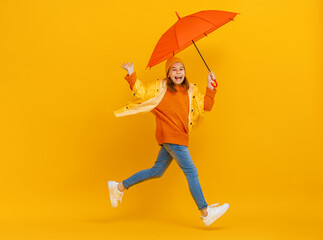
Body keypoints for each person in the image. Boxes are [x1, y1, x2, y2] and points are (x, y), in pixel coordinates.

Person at [108, 56, 229, 226]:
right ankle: (205, 212)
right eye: (174, 69)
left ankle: (119, 187)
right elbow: (142, 92)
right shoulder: (160, 88)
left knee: (157, 171)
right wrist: (131, 74)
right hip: (171, 135)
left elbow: (206, 106)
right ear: (168, 73)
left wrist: (210, 86)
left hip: (178, 136)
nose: (178, 72)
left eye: (181, 69)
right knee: (191, 172)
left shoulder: (191, 91)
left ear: (185, 73)